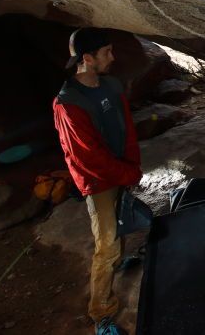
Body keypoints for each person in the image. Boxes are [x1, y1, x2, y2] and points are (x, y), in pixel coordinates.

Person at [52, 28, 142, 334]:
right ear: (87, 59)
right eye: (106, 52)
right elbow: (89, 157)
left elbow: (126, 128)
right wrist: (128, 173)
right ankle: (101, 310)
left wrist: (132, 165)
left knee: (122, 222)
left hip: (121, 170)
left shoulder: (112, 85)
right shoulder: (68, 103)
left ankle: (119, 264)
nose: (112, 57)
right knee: (106, 243)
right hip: (98, 181)